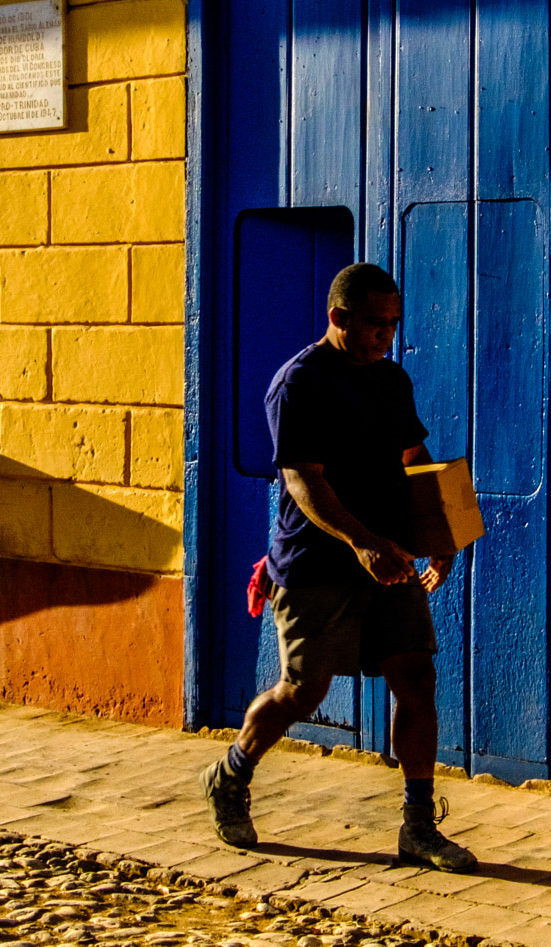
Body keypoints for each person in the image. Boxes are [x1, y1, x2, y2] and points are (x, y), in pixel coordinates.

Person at [199, 262, 476, 873]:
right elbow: (303, 480)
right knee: (304, 690)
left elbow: (413, 455)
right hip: (317, 562)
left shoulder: (391, 382)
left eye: (393, 325)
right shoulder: (299, 384)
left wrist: (441, 531)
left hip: (389, 559)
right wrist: (361, 541)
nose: (387, 336)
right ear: (338, 318)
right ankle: (231, 774)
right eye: (376, 325)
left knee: (416, 682)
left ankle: (419, 826)